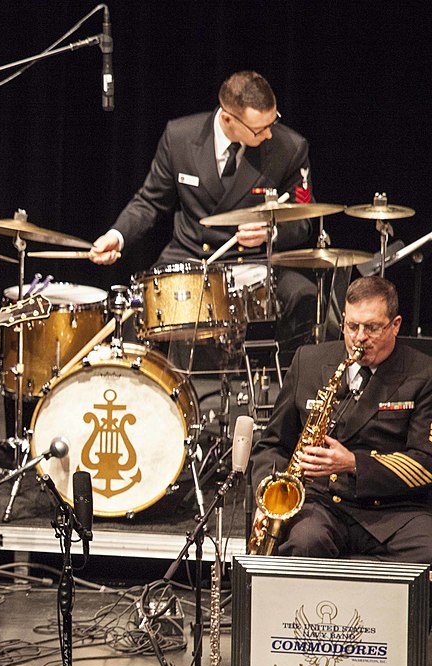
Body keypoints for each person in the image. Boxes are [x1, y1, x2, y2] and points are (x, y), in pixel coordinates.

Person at [89, 70, 317, 346]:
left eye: (274, 121)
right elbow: (150, 201)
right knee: (134, 312)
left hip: (255, 260)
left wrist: (270, 233)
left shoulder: (290, 147)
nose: (269, 134)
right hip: (190, 254)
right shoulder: (180, 137)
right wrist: (116, 236)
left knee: (305, 296)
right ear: (227, 118)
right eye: (259, 129)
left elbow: (304, 219)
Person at [249, 276, 432, 562]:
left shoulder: (423, 372)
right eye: (352, 326)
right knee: (305, 543)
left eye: (372, 327)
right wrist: (267, 501)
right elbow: (272, 445)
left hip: (393, 512)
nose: (359, 337)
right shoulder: (307, 361)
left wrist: (354, 464)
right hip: (320, 504)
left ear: (395, 325)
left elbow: (425, 463)